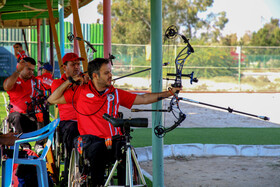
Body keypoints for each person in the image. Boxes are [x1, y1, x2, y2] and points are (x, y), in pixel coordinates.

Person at [48, 58, 181, 186]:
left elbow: (144, 98)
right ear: (95, 76)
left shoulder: (115, 93)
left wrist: (169, 93)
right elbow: (52, 99)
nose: (111, 75)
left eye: (110, 71)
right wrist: (69, 81)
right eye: (106, 73)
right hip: (90, 142)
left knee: (127, 150)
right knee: (97, 150)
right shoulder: (80, 91)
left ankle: (124, 184)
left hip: (113, 140)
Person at [50, 52, 84, 183]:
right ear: (65, 67)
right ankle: (69, 169)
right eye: (73, 64)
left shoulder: (84, 80)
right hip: (69, 122)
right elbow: (53, 98)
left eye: (78, 64)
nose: (77, 67)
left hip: (86, 121)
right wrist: (71, 81)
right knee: (73, 129)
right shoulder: (57, 82)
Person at [3, 57, 42, 150]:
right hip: (17, 116)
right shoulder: (14, 80)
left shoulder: (35, 81)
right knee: (17, 117)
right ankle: (25, 146)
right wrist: (17, 71)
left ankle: (39, 145)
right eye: (28, 69)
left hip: (31, 116)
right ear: (21, 68)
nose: (31, 72)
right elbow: (6, 86)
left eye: (33, 70)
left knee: (43, 115)